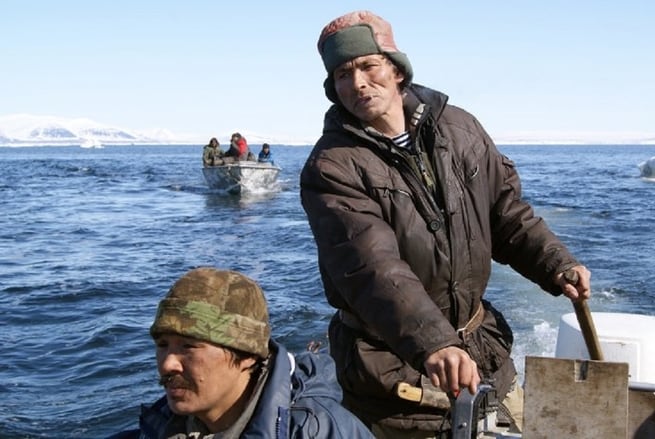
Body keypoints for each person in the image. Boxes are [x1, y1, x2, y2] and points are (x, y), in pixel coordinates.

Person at [299, 10, 592, 438]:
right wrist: (435, 342)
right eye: (343, 74)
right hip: (393, 381)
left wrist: (555, 263)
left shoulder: (461, 129)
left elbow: (506, 214)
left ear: (397, 70)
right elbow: (373, 269)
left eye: (368, 66)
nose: (357, 82)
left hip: (483, 351)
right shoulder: (332, 166)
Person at [113, 267, 374, 439]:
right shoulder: (157, 427)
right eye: (162, 345)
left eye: (188, 347)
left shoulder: (317, 430)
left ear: (248, 355)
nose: (168, 363)